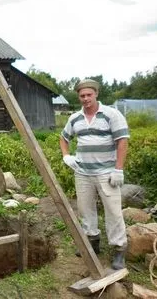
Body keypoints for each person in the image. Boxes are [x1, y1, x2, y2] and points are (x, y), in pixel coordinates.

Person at [59, 79, 129, 270]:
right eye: (82, 96)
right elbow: (64, 138)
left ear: (96, 94)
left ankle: (119, 250)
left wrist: (118, 169)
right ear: (78, 97)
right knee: (85, 209)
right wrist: (66, 156)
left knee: (113, 211)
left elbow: (122, 141)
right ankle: (92, 242)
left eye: (89, 95)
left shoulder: (111, 115)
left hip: (106, 173)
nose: (86, 99)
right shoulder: (75, 118)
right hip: (82, 173)